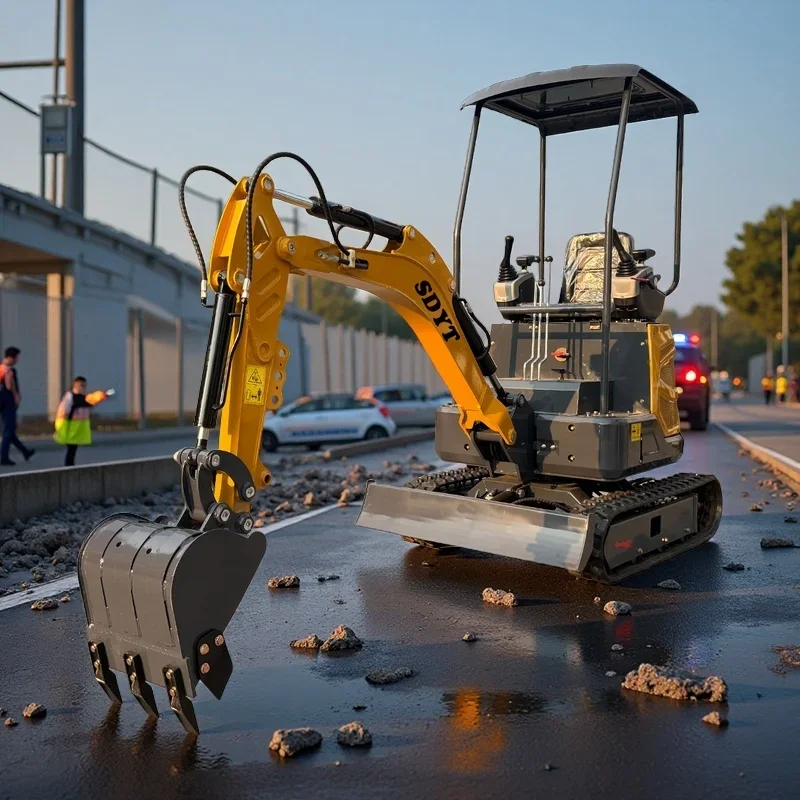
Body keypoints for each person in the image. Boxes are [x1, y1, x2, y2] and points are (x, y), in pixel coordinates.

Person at [54, 376, 113, 466]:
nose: (84, 388)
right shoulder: (72, 397)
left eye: (84, 386)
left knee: (72, 450)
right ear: (76, 385)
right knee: (71, 450)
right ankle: (69, 467)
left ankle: (69, 466)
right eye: (82, 385)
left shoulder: (76, 397)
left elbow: (88, 401)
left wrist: (102, 396)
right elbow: (85, 402)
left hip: (72, 428)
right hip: (69, 428)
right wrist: (101, 395)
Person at [0, 346, 35, 466]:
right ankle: (4, 457)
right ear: (11, 357)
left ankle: (25, 452)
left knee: (9, 430)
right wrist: (16, 396)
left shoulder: (0, 368)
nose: (17, 360)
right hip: (7, 401)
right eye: (16, 358)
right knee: (8, 430)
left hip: (1, 402)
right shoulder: (9, 370)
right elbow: (9, 386)